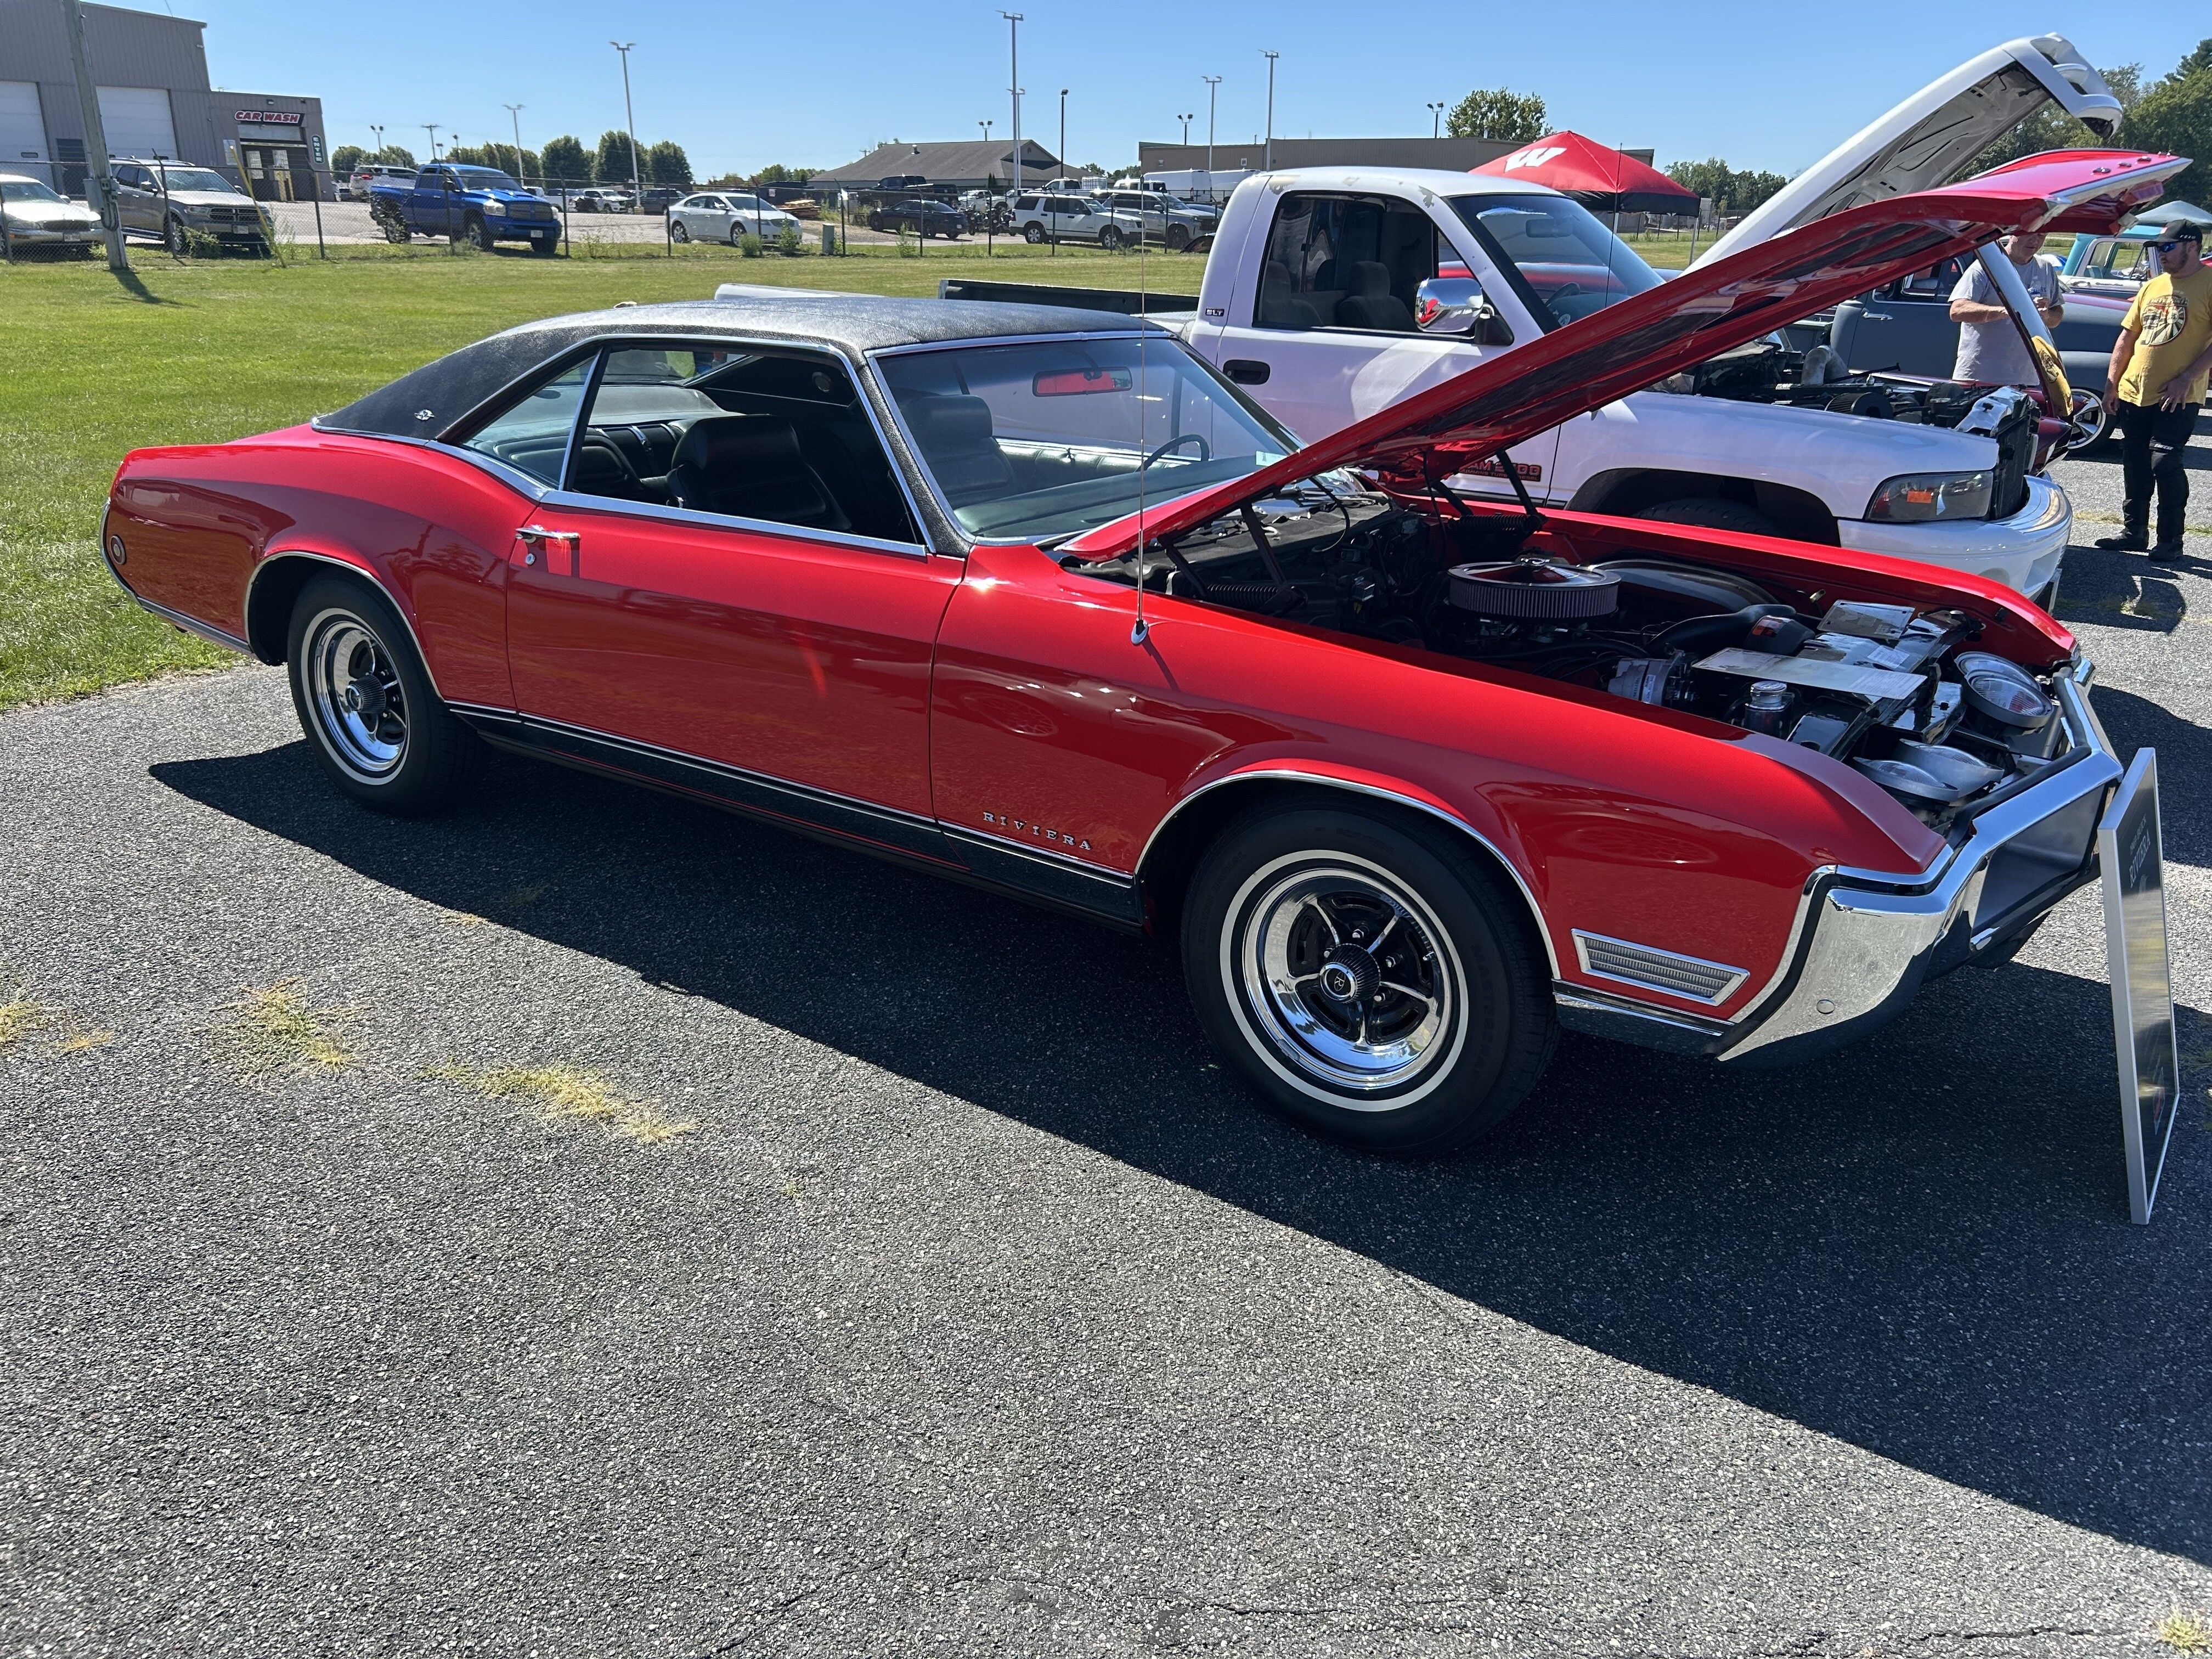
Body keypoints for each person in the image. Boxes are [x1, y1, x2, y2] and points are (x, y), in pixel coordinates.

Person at [2095, 221, 2212, 560]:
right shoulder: (2154, 286)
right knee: (2135, 463)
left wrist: (2187, 377)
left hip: (2177, 395)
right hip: (2135, 391)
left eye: (2168, 247)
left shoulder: (2208, 284)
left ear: (2192, 246)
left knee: (2164, 462)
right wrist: (2112, 383)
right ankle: (2134, 533)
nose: (2161, 253)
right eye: (2159, 248)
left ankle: (2171, 540)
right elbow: (2128, 337)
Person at [1946, 233, 2064, 387]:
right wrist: (2007, 311)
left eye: (2041, 236)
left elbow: (2057, 314)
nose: (2035, 241)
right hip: (1981, 377)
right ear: (2013, 233)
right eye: (2030, 234)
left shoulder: (2045, 269)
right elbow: (1957, 310)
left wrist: (2046, 315)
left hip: (2027, 379)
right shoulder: (1986, 267)